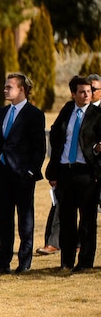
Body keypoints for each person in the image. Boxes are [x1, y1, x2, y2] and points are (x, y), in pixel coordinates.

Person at [0, 73, 46, 274]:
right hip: (2, 175)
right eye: (5, 86)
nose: (5, 90)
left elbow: (39, 147)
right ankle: (2, 263)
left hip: (22, 175)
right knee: (3, 221)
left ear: (21, 89)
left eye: (9, 87)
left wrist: (31, 171)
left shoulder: (34, 114)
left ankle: (24, 262)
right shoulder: (3, 112)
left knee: (25, 221)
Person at [45, 76, 101, 272]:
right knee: (67, 220)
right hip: (65, 172)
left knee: (87, 221)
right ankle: (66, 262)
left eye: (89, 91)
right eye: (82, 92)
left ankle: (85, 262)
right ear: (73, 94)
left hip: (87, 173)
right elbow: (55, 133)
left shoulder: (97, 114)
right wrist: (54, 170)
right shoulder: (67, 110)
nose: (87, 95)